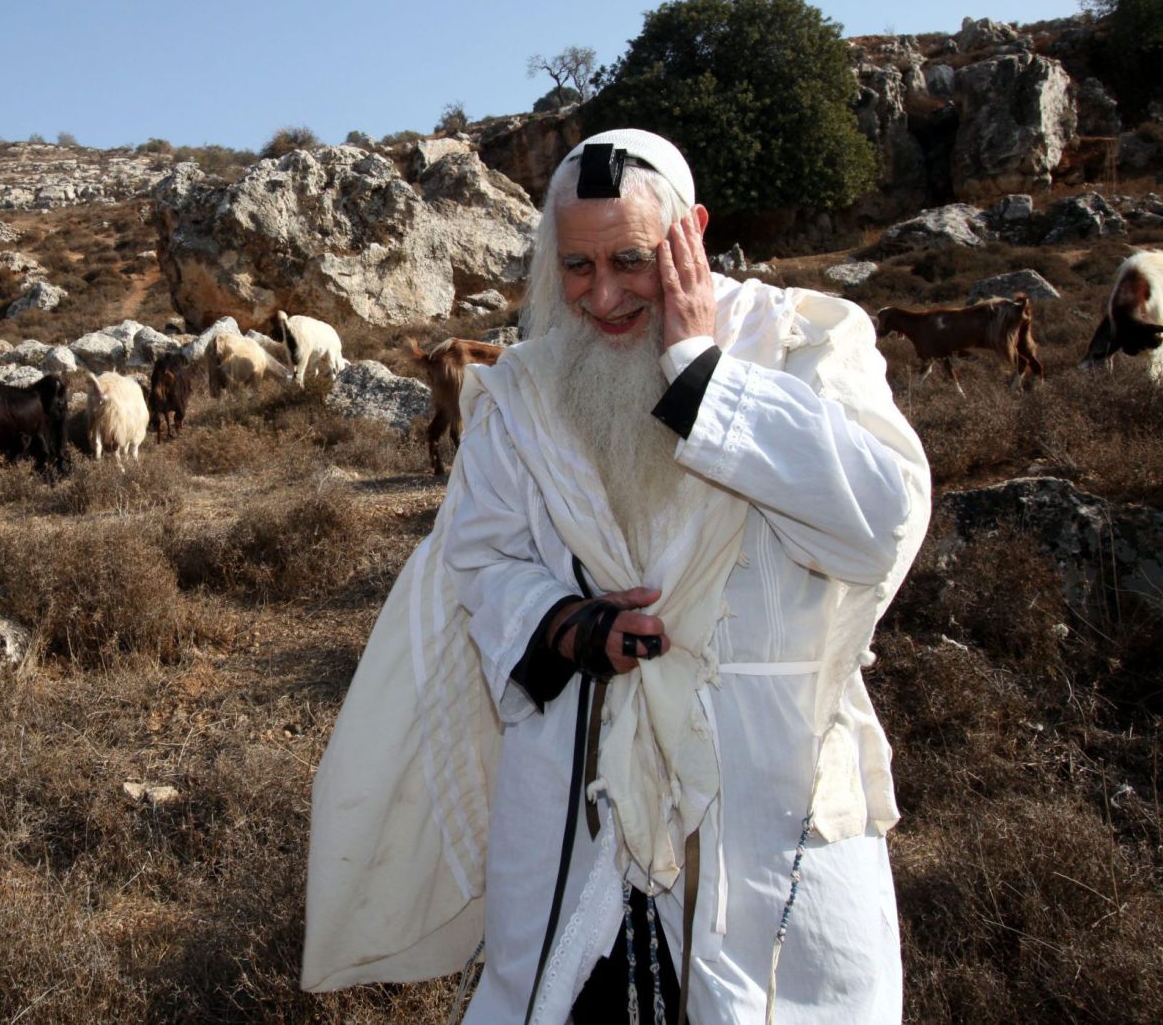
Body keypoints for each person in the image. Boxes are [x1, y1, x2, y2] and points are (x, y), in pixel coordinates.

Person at [302, 130, 932, 1025]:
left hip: (758, 791)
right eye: (577, 265)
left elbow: (880, 523)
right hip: (575, 789)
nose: (602, 296)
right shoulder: (521, 396)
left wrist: (704, 378)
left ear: (694, 233)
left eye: (631, 259)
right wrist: (567, 625)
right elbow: (480, 556)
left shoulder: (801, 346)